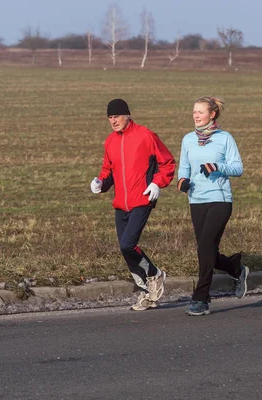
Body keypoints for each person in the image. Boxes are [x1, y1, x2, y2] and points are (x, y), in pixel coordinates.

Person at [91, 99, 176, 311]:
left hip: (143, 199)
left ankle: (155, 275)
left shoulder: (146, 135)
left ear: (127, 115)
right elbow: (107, 171)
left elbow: (167, 163)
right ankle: (147, 293)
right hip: (121, 203)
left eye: (117, 116)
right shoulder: (110, 141)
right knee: (126, 250)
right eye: (110, 118)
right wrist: (100, 183)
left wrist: (157, 183)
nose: (113, 121)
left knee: (128, 244)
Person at [177, 96, 248, 316]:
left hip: (219, 199)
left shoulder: (224, 138)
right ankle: (235, 267)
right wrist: (182, 181)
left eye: (200, 111)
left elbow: (237, 168)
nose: (195, 115)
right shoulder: (188, 139)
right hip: (196, 200)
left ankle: (201, 298)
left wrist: (217, 166)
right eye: (194, 111)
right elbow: (184, 167)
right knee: (206, 249)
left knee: (205, 246)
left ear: (212, 114)